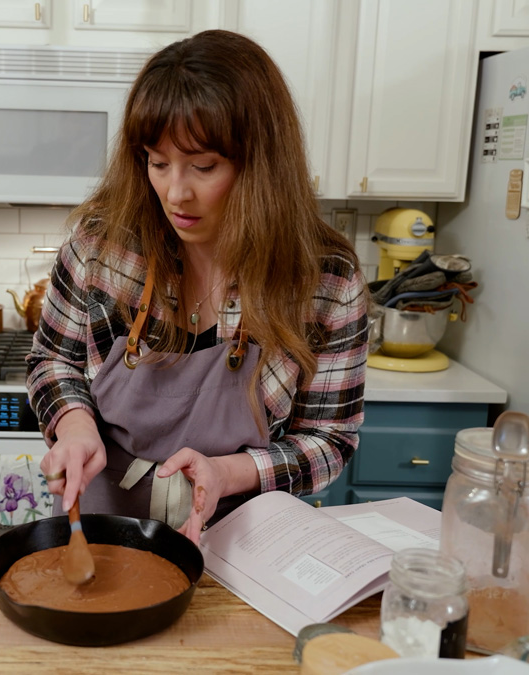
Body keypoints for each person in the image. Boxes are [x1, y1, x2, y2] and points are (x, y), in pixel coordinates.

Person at [27, 30, 369, 545]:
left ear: (260, 164)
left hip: (240, 539)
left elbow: (329, 438)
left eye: (203, 166)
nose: (174, 192)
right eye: (157, 162)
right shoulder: (102, 246)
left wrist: (229, 472)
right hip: (99, 526)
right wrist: (74, 425)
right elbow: (53, 360)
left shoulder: (325, 281)